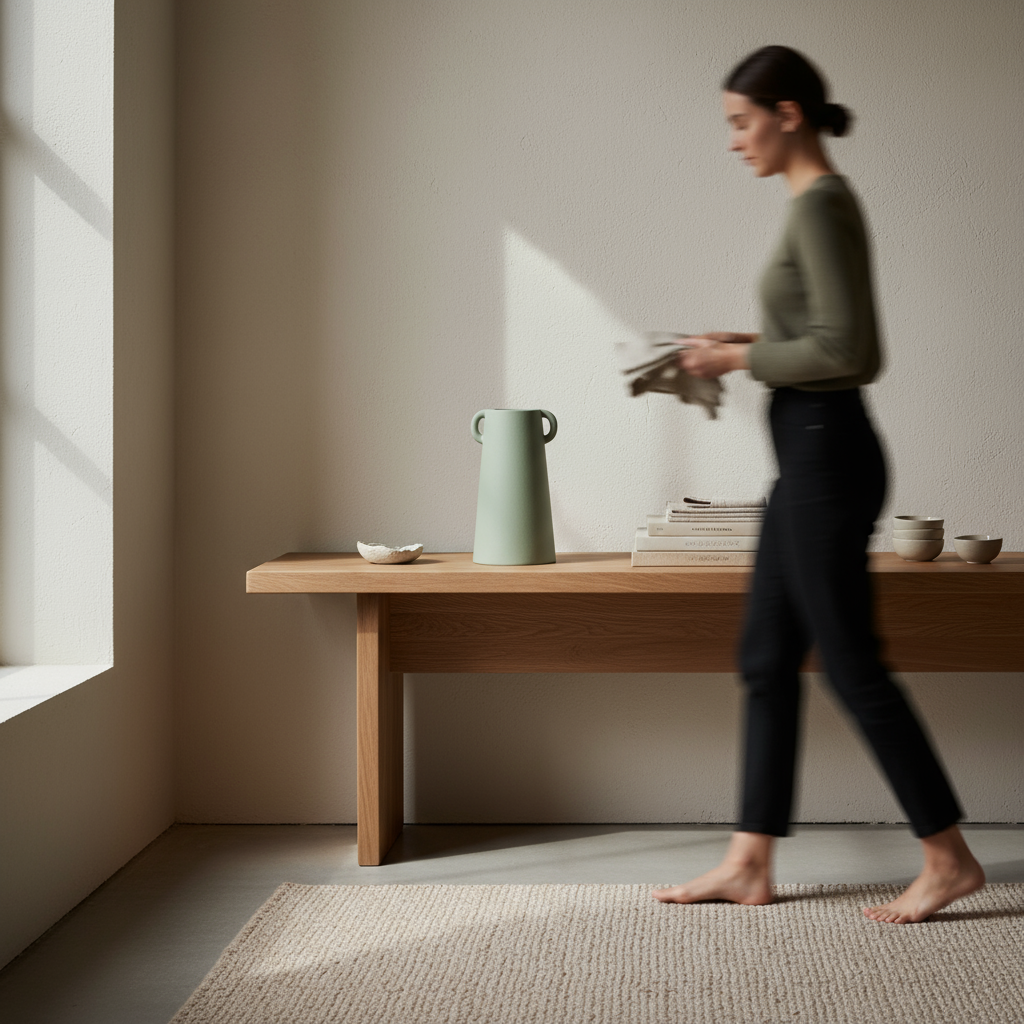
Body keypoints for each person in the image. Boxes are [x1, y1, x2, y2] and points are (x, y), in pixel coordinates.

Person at [652, 45, 985, 924]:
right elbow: (815, 341)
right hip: (806, 458)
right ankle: (749, 862)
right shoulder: (809, 207)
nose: (733, 141)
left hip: (829, 459)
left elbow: (853, 353)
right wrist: (731, 343)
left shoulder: (822, 206)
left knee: (849, 664)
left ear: (787, 113)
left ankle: (946, 857)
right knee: (765, 656)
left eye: (740, 121)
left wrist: (739, 356)